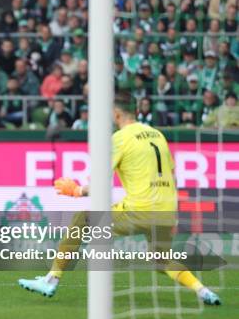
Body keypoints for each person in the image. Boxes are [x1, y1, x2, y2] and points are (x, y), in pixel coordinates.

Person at [18, 92, 221, 306]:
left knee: (83, 218)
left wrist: (76, 191)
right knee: (162, 260)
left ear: (115, 114)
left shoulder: (119, 138)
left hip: (140, 209)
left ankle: (51, 279)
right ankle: (202, 290)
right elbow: (172, 173)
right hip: (167, 210)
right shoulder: (156, 134)